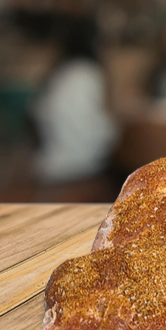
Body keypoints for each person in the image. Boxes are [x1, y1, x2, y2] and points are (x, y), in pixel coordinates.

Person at [31, 15, 119, 199]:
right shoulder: (88, 73)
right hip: (79, 163)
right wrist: (116, 128)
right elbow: (99, 132)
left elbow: (37, 113)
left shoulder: (61, 73)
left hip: (50, 161)